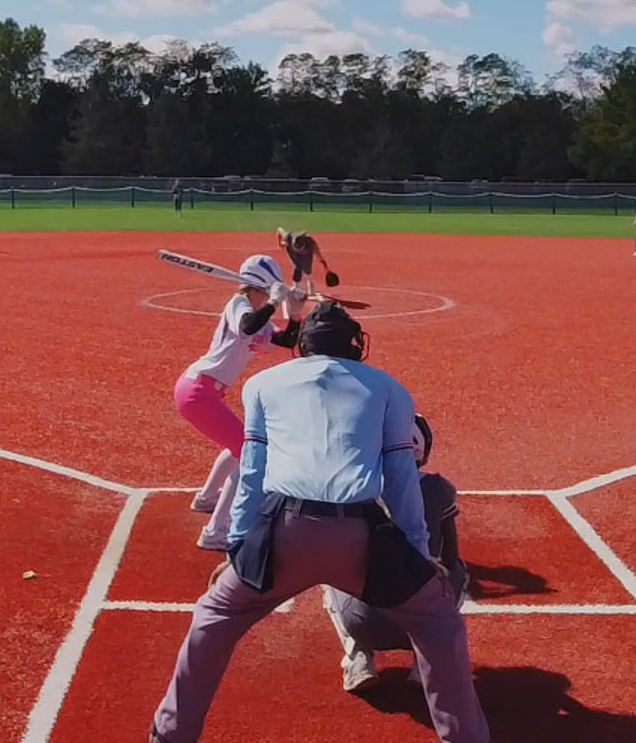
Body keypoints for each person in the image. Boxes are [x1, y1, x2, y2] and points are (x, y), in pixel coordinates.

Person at [150, 302, 489, 743]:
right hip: (361, 536)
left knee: (212, 619)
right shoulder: (390, 389)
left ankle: (170, 734)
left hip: (283, 531)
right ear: (355, 346)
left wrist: (237, 548)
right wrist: (420, 556)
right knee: (438, 621)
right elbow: (401, 481)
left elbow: (252, 472)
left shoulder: (261, 385)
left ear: (304, 346)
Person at [321, 412, 468, 694]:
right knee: (456, 571)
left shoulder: (353, 486)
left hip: (365, 622)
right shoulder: (439, 488)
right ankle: (426, 660)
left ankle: (358, 655)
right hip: (423, 619)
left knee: (329, 572)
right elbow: (451, 556)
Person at [177, 254, 301, 551]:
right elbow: (246, 327)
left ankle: (207, 498)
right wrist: (275, 302)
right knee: (247, 451)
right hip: (197, 390)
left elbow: (287, 341)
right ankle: (215, 531)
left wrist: (295, 314)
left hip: (205, 391)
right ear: (263, 286)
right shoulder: (239, 305)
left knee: (241, 443)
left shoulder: (259, 317)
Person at [276, 228, 339, 296]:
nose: (298, 249)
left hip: (306, 253)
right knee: (297, 266)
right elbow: (279, 230)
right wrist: (279, 243)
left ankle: (310, 284)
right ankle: (296, 287)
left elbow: (317, 253)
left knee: (307, 270)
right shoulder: (288, 236)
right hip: (292, 251)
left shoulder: (310, 243)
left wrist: (323, 262)